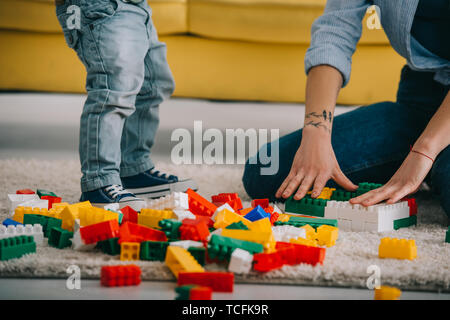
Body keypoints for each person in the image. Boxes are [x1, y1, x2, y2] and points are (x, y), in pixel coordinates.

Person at [242, 0, 450, 217]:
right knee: (265, 171)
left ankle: (433, 168)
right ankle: (430, 170)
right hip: (419, 99)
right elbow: (335, 34)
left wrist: (425, 150)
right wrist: (316, 132)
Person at [55, 0, 197, 210]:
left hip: (137, 7)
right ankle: (99, 181)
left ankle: (132, 167)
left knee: (154, 84)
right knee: (113, 88)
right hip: (100, 7)